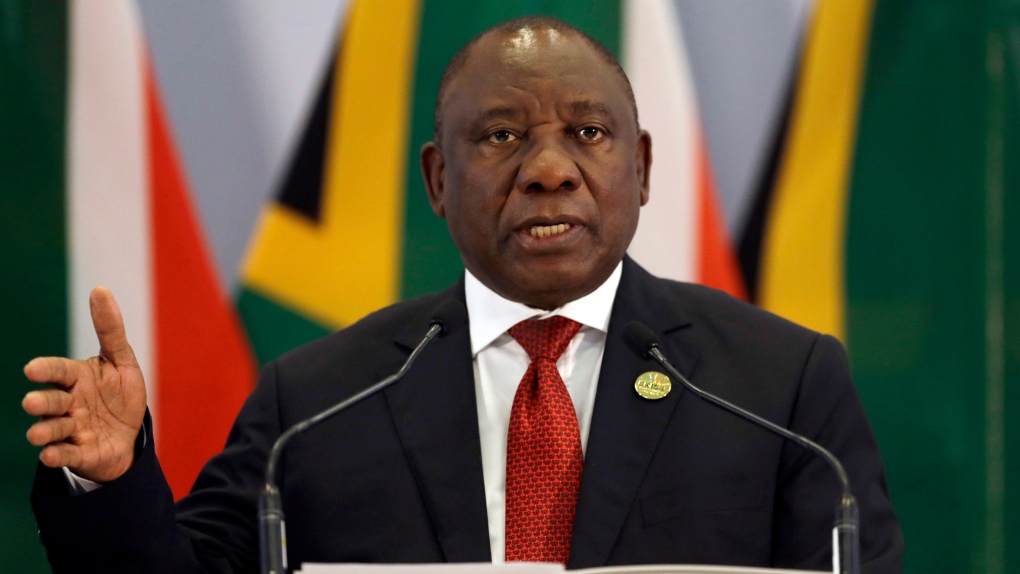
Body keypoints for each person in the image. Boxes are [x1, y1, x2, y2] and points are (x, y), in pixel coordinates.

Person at [22, 17, 903, 573]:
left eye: (588, 133)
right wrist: (111, 480)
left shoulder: (779, 388)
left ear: (641, 168)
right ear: (439, 180)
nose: (550, 170)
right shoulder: (317, 402)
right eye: (502, 136)